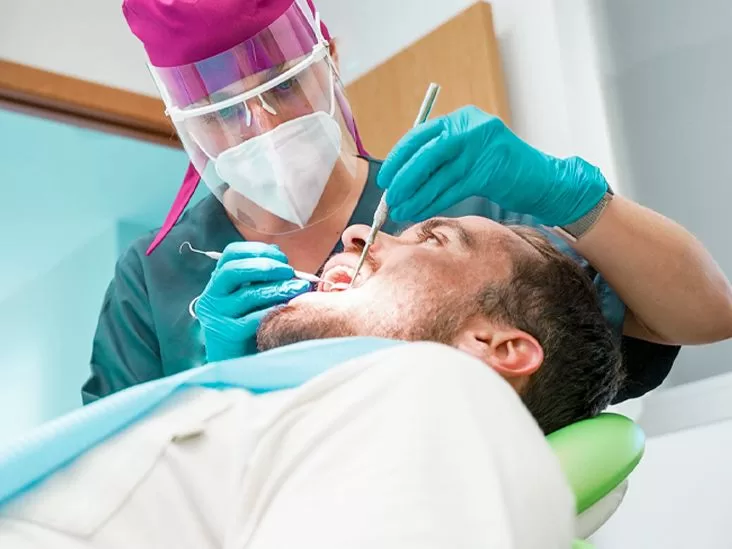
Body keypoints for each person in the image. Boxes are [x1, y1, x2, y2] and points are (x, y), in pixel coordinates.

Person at [83, 0, 732, 404]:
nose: (260, 128)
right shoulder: (152, 281)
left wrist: (574, 197)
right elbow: (122, 490)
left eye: (279, 89)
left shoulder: (462, 206)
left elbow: (704, 315)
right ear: (183, 123)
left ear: (328, 57)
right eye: (221, 113)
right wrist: (214, 385)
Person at [0, 217, 623, 549]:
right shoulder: (313, 420)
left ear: (495, 348)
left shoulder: (439, 391)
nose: (356, 235)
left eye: (432, 238)